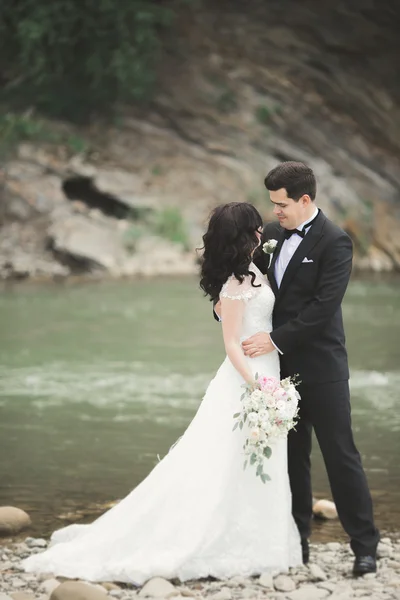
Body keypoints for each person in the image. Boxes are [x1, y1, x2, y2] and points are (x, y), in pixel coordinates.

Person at [22, 202, 301, 584]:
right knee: (222, 459)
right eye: (255, 227)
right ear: (244, 235)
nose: (261, 232)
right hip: (247, 380)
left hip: (267, 372)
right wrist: (259, 386)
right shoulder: (235, 285)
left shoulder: (255, 270)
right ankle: (218, 540)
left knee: (255, 459)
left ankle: (260, 541)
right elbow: (232, 344)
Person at [243, 161, 380, 576]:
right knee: (291, 457)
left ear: (305, 200)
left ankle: (365, 546)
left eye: (282, 205)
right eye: (272, 204)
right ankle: (296, 541)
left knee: (341, 455)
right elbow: (249, 288)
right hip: (276, 370)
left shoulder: (335, 241)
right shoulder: (267, 235)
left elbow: (324, 307)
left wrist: (276, 339)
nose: (275, 212)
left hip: (323, 367)